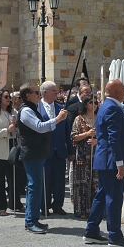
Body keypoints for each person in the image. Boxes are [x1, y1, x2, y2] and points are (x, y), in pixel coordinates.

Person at [84, 79, 124, 247]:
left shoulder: (106, 106)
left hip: (104, 158)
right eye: (122, 91)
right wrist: (119, 162)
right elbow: (114, 137)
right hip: (111, 160)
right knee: (114, 197)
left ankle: (92, 229)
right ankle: (114, 235)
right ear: (117, 93)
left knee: (102, 195)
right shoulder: (113, 108)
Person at [17, 83, 68, 234]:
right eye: (36, 92)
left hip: (38, 152)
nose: (38, 95)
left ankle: (33, 218)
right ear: (28, 95)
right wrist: (57, 119)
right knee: (34, 186)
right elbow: (40, 127)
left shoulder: (32, 109)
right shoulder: (26, 111)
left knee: (36, 186)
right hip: (32, 152)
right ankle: (30, 221)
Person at [38, 81, 73, 215]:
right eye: (54, 90)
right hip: (45, 150)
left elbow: (66, 130)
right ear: (45, 92)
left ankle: (58, 205)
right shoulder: (37, 108)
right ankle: (44, 205)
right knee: (45, 180)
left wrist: (70, 150)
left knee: (59, 180)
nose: (56, 93)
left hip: (59, 150)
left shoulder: (61, 108)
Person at [71, 96, 99, 218]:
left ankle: (96, 209)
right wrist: (87, 134)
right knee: (82, 183)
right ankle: (82, 210)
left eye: (96, 103)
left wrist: (97, 141)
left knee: (96, 182)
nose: (94, 105)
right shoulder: (79, 119)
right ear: (85, 104)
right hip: (82, 155)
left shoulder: (99, 118)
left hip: (97, 154)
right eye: (91, 102)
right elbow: (74, 137)